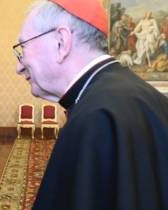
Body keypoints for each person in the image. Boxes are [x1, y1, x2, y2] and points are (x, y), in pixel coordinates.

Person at [14, 0, 168, 210]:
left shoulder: (94, 117)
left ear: (62, 42)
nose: (19, 67)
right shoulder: (143, 95)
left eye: (23, 48)